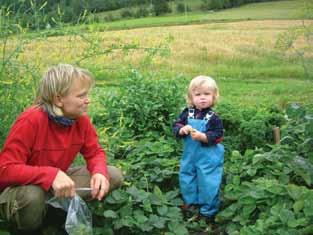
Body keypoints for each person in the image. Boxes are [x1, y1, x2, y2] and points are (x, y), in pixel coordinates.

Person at [0, 64, 123, 234]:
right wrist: (51, 175)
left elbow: (94, 152)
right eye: (81, 95)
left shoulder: (80, 120)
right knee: (32, 197)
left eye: (87, 94)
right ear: (58, 99)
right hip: (21, 189)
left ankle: (55, 216)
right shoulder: (31, 120)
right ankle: (26, 227)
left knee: (112, 175)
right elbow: (5, 170)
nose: (88, 100)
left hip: (54, 185)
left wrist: (99, 172)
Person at [172, 75, 224, 222]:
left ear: (214, 97)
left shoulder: (213, 117)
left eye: (207, 94)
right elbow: (176, 125)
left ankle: (208, 211)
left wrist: (204, 137)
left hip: (208, 156)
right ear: (191, 97)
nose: (202, 98)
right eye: (198, 94)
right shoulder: (187, 113)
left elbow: (218, 135)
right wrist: (181, 130)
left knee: (208, 181)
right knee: (187, 176)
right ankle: (191, 204)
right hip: (190, 155)